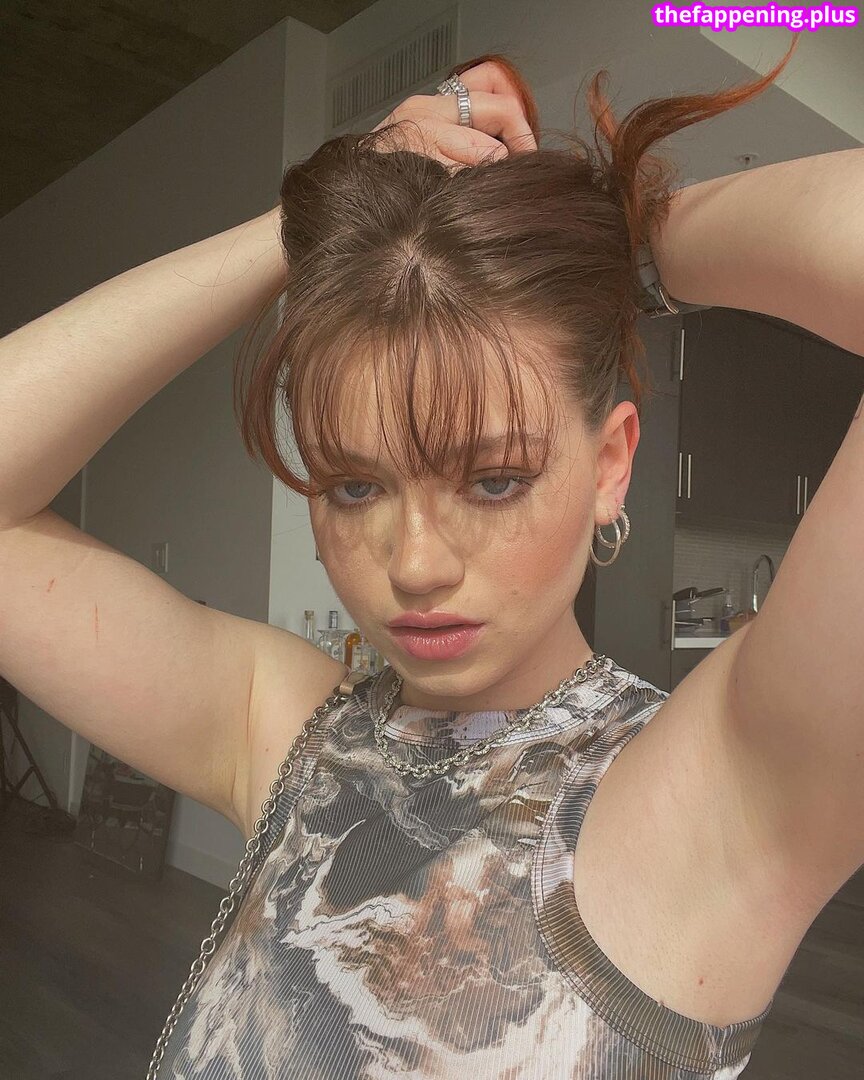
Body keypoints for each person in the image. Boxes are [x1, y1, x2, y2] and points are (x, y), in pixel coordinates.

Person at [1, 32, 862, 1080]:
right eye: (355, 486)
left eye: (493, 479)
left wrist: (628, 240)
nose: (414, 566)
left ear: (611, 465)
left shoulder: (724, 795)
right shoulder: (285, 733)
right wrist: (310, 223)